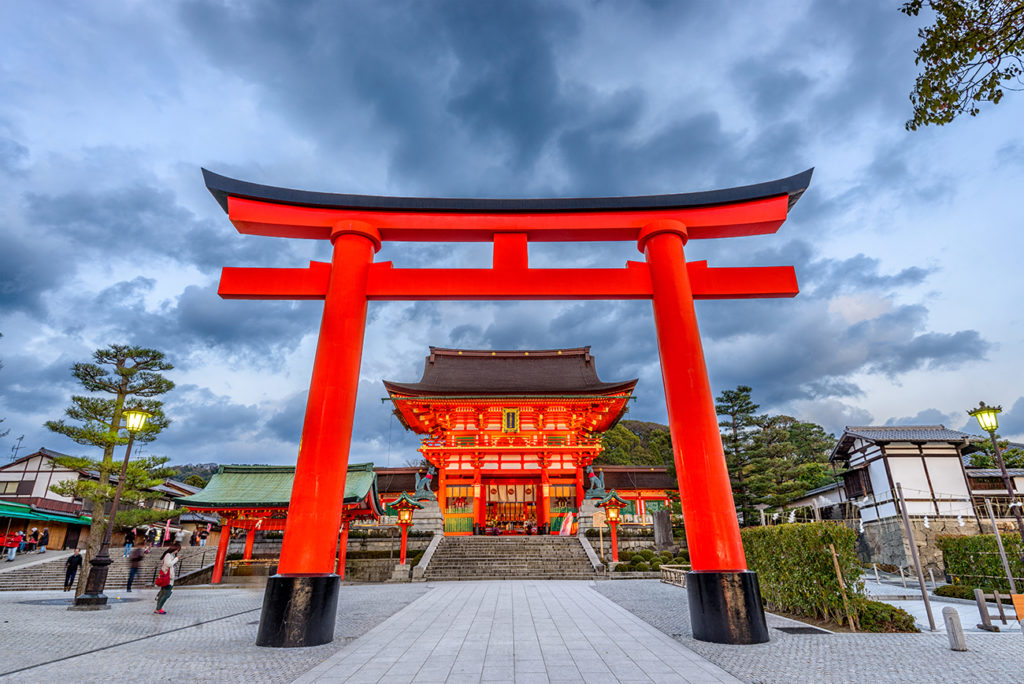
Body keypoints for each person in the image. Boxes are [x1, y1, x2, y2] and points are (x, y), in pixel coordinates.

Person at [154, 543, 180, 614]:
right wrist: (176, 559)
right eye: (177, 550)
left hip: (169, 577)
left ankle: (158, 608)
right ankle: (158, 609)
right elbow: (168, 564)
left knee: (163, 593)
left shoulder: (171, 555)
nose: (177, 551)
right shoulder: (168, 555)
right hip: (167, 577)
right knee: (167, 594)